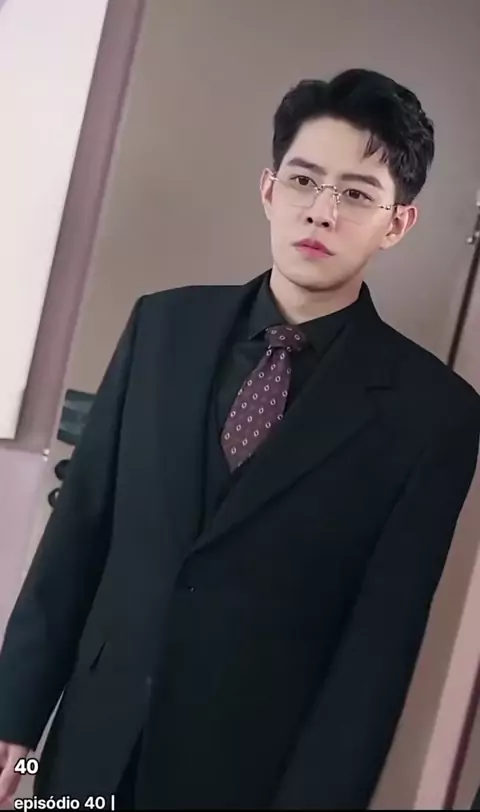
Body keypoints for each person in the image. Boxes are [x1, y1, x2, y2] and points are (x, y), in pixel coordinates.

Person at [0, 68, 479, 811]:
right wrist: (13, 716)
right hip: (91, 749)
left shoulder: (433, 413)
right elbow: (79, 534)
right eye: (304, 180)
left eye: (357, 194)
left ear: (397, 223)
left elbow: (378, 654)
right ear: (269, 189)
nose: (321, 212)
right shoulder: (162, 328)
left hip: (247, 775)